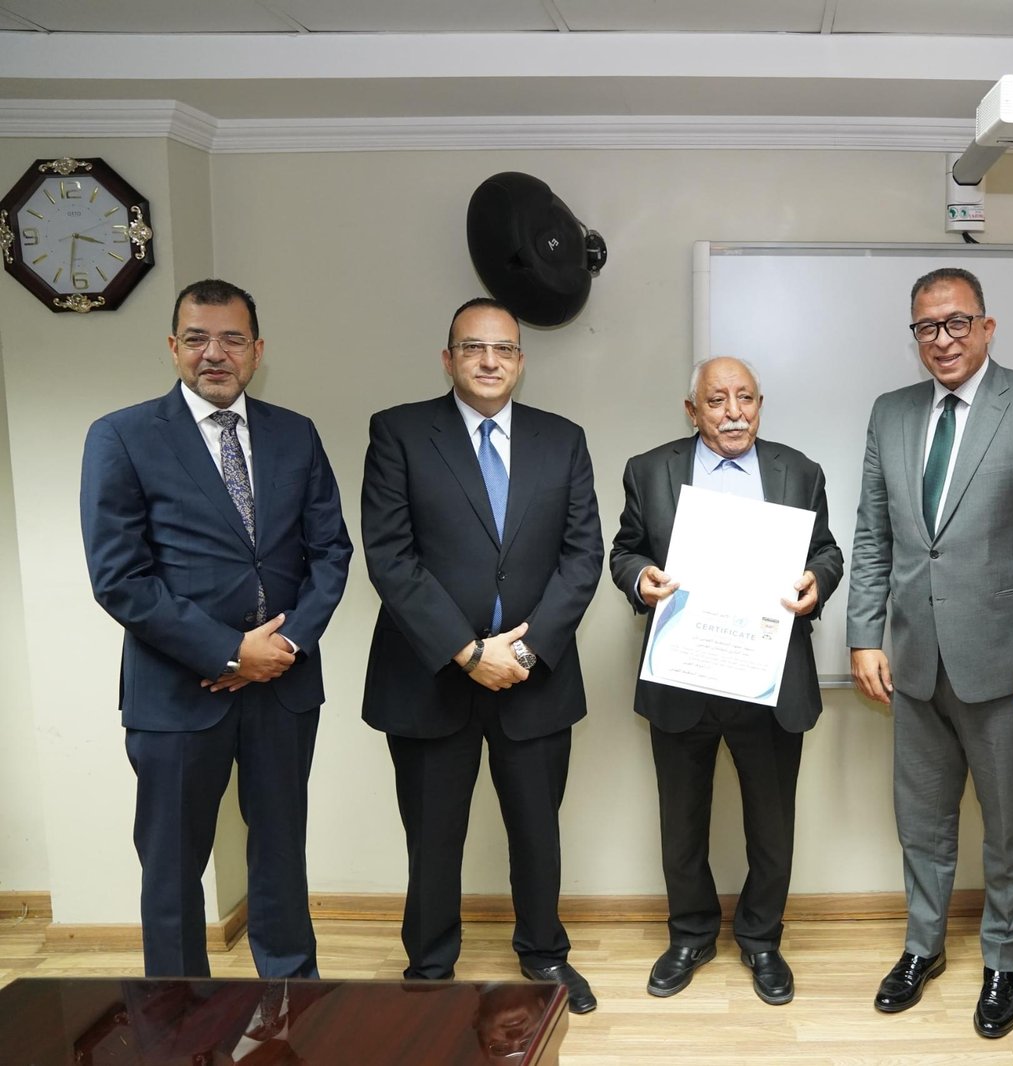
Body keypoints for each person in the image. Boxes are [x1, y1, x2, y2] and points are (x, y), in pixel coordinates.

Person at [847, 267, 1013, 1038]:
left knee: (1008, 827)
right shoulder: (890, 414)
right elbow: (873, 535)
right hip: (913, 662)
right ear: (914, 336)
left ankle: (1003, 962)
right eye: (927, 327)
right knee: (920, 823)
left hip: (1007, 665)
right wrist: (863, 634)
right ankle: (923, 947)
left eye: (957, 323)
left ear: (987, 326)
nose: (943, 339)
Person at [80, 278, 351, 978]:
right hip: (176, 693)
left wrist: (284, 646)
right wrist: (228, 651)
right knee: (172, 867)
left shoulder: (296, 433)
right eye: (198, 338)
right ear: (174, 347)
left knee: (281, 854)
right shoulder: (121, 436)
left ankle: (289, 1003)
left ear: (257, 350)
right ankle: (176, 1017)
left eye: (232, 339)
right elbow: (120, 577)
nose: (214, 353)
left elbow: (331, 552)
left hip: (283, 688)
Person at [360, 297, 603, 1010]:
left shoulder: (563, 440)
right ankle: (430, 967)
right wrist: (468, 653)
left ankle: (545, 955)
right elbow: (391, 557)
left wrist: (523, 653)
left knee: (537, 830)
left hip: (534, 677)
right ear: (448, 359)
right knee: (433, 836)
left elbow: (582, 557)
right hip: (431, 676)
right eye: (473, 347)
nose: (490, 360)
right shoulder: (400, 433)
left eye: (504, 349)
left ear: (521, 362)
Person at [609, 357, 843, 1006]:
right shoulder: (649, 470)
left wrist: (817, 582)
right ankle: (690, 935)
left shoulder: (800, 471)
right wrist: (640, 579)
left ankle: (762, 939)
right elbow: (625, 551)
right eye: (717, 400)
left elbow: (826, 551)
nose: (734, 412)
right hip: (683, 674)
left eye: (746, 398)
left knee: (771, 825)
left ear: (761, 404)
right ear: (693, 411)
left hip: (770, 678)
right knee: (681, 822)